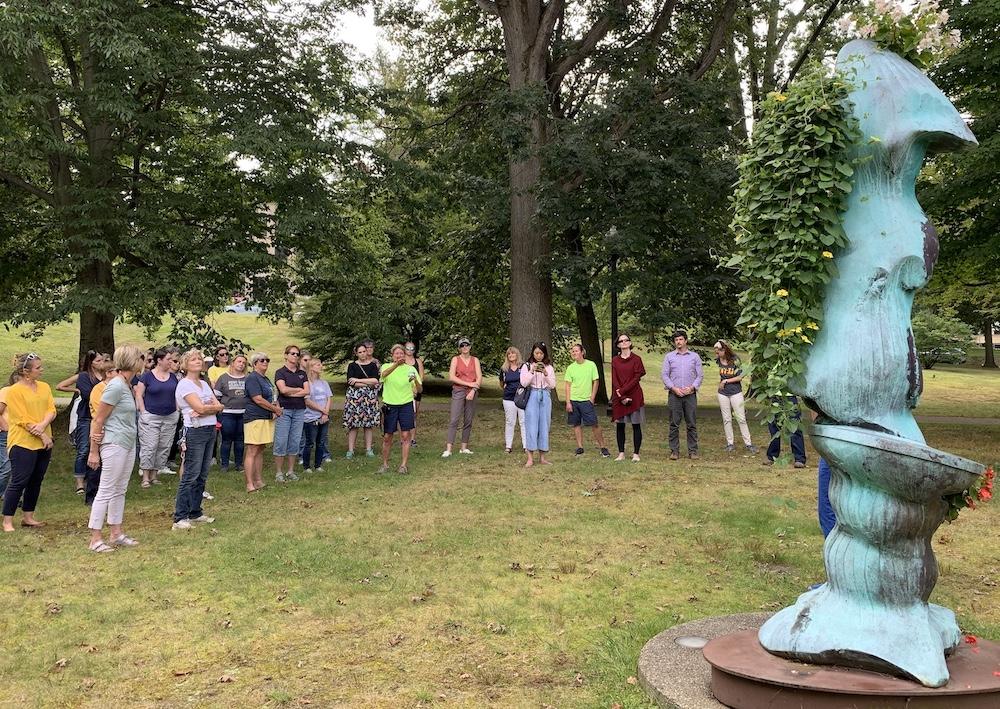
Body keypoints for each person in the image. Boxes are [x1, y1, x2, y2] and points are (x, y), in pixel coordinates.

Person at [85, 345, 143, 552]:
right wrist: (94, 450)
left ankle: (116, 533)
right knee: (106, 489)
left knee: (120, 489)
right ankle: (95, 538)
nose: (143, 361)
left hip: (128, 442)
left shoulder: (126, 385)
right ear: (132, 361)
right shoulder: (116, 386)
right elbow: (98, 420)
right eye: (140, 357)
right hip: (114, 442)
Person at [2, 353, 56, 532]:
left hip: (44, 440)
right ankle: (7, 521)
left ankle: (28, 517)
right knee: (19, 480)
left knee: (36, 480)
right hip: (22, 442)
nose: (41, 370)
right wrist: (42, 434)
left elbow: (51, 409)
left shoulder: (45, 387)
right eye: (38, 368)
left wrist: (43, 427)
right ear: (26, 371)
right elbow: (21, 419)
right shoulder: (14, 391)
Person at [172, 349, 223, 530]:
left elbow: (219, 405)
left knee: (202, 473)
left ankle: (195, 512)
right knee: (190, 474)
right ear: (185, 364)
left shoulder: (204, 383)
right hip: (194, 430)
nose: (198, 361)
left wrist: (208, 407)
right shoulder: (184, 385)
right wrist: (207, 407)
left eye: (200, 359)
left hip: (209, 429)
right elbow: (200, 408)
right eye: (193, 359)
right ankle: (180, 516)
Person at [57, 351, 107, 495]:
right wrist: (76, 389)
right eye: (98, 361)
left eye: (102, 360)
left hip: (102, 416)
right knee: (84, 449)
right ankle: (80, 482)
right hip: (86, 416)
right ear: (91, 362)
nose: (101, 363)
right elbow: (61, 386)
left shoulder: (105, 376)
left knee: (101, 448)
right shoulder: (84, 376)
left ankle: (94, 479)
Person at [135, 346, 180, 487]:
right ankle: (145, 477)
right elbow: (138, 394)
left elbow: (177, 395)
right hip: (151, 416)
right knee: (150, 446)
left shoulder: (173, 377)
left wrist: (177, 410)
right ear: (159, 360)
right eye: (168, 359)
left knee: (164, 446)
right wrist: (143, 412)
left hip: (170, 416)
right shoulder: (147, 376)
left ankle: (155, 475)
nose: (171, 362)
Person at [379, 344, 421, 475]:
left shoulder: (410, 369)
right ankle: (385, 464)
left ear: (405, 355)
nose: (399, 356)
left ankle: (403, 465)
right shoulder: (386, 366)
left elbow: (419, 390)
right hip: (390, 405)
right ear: (392, 355)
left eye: (401, 353)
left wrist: (416, 381)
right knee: (387, 436)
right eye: (396, 353)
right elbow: (383, 376)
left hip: (406, 405)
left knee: (405, 435)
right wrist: (396, 365)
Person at [661, 330, 703, 460]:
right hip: (674, 394)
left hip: (690, 395)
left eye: (680, 339)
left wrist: (692, 388)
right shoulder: (669, 357)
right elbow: (664, 375)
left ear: (685, 340)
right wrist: (674, 388)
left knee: (691, 423)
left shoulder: (694, 357)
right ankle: (674, 451)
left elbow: (700, 375)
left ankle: (693, 451)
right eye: (676, 340)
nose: (678, 342)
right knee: (674, 423)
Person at [243, 353, 282, 492]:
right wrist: (275, 409)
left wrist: (275, 406)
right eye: (262, 360)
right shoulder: (252, 378)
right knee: (252, 450)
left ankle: (258, 480)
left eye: (267, 360)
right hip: (255, 418)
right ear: (254, 364)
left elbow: (272, 395)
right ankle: (249, 484)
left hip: (266, 417)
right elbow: (257, 399)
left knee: (260, 449)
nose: (265, 362)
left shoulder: (265, 379)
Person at [564, 344, 610, 458]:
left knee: (594, 424)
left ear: (582, 352)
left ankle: (603, 447)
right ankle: (580, 447)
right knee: (576, 424)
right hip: (574, 400)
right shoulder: (570, 368)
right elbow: (568, 385)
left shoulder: (591, 365)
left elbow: (596, 381)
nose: (574, 353)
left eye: (576, 351)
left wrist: (592, 397)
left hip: (586, 400)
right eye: (572, 351)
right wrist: (568, 402)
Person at [83, 361, 118, 506]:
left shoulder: (116, 388)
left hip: (113, 429)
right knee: (96, 464)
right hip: (100, 429)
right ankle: (91, 496)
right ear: (109, 373)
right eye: (117, 371)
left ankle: (108, 495)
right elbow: (100, 413)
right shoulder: (99, 389)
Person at [273, 345, 309, 482]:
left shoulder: (302, 373)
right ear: (286, 355)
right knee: (281, 440)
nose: (295, 356)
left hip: (299, 410)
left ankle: (290, 471)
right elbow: (282, 390)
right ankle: (279, 472)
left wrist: (292, 392)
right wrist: (298, 390)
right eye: (292, 353)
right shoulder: (280, 372)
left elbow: (307, 391)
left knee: (295, 440)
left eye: (297, 354)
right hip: (284, 410)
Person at [713, 340, 756, 454]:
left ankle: (749, 444)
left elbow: (740, 376)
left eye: (718, 351)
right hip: (723, 393)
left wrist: (726, 381)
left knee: (741, 418)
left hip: (735, 392)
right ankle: (730, 443)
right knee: (726, 419)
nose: (716, 353)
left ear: (724, 350)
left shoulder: (735, 360)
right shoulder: (718, 360)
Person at [443, 338, 482, 457]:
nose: (465, 347)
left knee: (468, 420)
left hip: (472, 392)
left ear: (470, 347)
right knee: (454, 419)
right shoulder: (455, 359)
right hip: (459, 390)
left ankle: (464, 447)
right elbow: (452, 377)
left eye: (467, 345)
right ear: (459, 348)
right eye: (462, 345)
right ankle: (449, 449)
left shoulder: (475, 360)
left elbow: (479, 377)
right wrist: (469, 384)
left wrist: (473, 390)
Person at [520, 342, 556, 468]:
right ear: (533, 353)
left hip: (545, 395)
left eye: (541, 353)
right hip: (532, 395)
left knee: (544, 425)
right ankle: (530, 457)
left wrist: (545, 373)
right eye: (536, 353)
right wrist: (532, 371)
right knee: (531, 425)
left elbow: (552, 385)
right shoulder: (527, 365)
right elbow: (524, 383)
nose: (539, 356)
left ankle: (542, 457)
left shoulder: (549, 367)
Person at [610, 334, 645, 462]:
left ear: (630, 343)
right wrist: (621, 396)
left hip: (634, 395)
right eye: (621, 341)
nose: (624, 342)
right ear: (618, 345)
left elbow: (636, 378)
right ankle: (621, 453)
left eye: (626, 340)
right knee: (620, 426)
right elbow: (614, 379)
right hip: (620, 397)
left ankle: (636, 454)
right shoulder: (615, 360)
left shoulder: (637, 359)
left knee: (636, 425)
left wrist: (623, 391)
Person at [344, 343, 380, 458]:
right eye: (360, 352)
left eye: (364, 351)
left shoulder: (373, 365)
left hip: (369, 398)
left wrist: (359, 380)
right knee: (353, 425)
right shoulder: (352, 366)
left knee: (368, 425)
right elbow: (351, 382)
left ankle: (369, 449)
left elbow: (376, 380)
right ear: (356, 353)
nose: (363, 354)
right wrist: (367, 383)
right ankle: (350, 449)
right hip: (355, 398)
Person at [215, 354, 249, 474]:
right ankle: (224, 464)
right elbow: (216, 396)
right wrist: (219, 412)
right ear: (233, 363)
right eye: (239, 361)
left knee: (240, 439)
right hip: (227, 413)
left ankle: (239, 464)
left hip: (243, 414)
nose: (241, 364)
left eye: (244, 363)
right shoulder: (223, 378)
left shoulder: (247, 378)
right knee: (226, 439)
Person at [302, 358, 332, 472]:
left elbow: (328, 398)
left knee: (321, 442)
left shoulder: (324, 383)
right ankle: (306, 466)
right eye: (318, 365)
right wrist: (322, 411)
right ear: (311, 368)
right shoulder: (307, 384)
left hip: (324, 417)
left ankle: (318, 465)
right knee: (310, 443)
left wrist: (326, 413)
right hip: (310, 417)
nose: (321, 366)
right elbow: (307, 401)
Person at [764, 395, 807, 468]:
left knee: (795, 428)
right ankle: (771, 456)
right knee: (774, 428)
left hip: (790, 397)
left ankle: (799, 459)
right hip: (775, 397)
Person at [499, 346, 527, 454]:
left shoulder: (523, 366)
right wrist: (505, 386)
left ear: (517, 354)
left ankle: (526, 446)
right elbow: (501, 382)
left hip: (521, 398)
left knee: (523, 421)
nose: (511, 355)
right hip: (508, 398)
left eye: (513, 353)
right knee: (510, 422)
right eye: (509, 354)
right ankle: (508, 446)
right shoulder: (504, 369)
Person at [404, 342, 425, 446]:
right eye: (408, 348)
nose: (410, 350)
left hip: (416, 390)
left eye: (412, 348)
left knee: (414, 414)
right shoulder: (401, 361)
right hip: (403, 391)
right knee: (403, 415)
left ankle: (412, 439)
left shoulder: (418, 361)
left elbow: (421, 377)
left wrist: (416, 388)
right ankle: (404, 438)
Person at [0, 372, 13, 497]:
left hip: (18, 433)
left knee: (16, 467)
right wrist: (4, 426)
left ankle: (8, 494)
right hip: (5, 434)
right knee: (6, 467)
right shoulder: (6, 391)